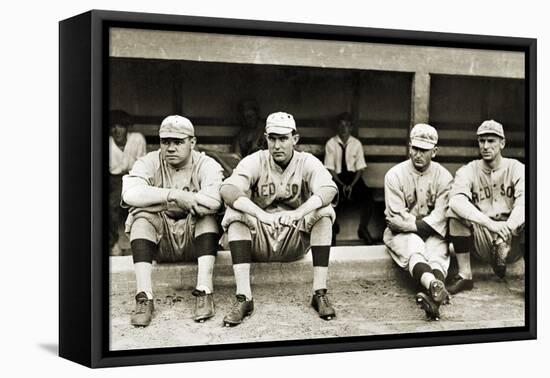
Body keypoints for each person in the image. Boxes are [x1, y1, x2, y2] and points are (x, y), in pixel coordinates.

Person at [219, 111, 338, 326]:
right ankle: (244, 297)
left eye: (283, 138)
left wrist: (299, 213)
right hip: (260, 237)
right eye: (272, 138)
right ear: (266, 138)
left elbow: (329, 189)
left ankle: (319, 292)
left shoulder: (306, 161)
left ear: (295, 139)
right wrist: (261, 215)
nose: (277, 145)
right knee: (235, 213)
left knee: (324, 212)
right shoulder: (256, 160)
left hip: (293, 237)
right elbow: (228, 189)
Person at [121, 115, 224, 327]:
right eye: (165, 141)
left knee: (207, 217)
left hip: (195, 241)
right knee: (140, 217)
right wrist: (174, 196)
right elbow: (129, 194)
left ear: (192, 143)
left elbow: (213, 201)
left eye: (178, 142)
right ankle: (144, 296)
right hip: (161, 242)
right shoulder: (149, 161)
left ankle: (204, 291)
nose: (170, 148)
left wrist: (154, 200)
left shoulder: (206, 164)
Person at [383, 124, 453, 320]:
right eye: (415, 148)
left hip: (431, 232)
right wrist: (417, 226)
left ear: (435, 151)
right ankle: (435, 287)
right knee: (414, 248)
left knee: (437, 253)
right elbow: (396, 216)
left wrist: (411, 224)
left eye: (424, 149)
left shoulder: (444, 177)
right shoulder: (394, 174)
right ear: (409, 147)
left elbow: (440, 216)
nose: (418, 154)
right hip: (402, 234)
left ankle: (433, 292)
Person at [446, 120, 525, 294]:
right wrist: (491, 225)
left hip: (513, 239)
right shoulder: (468, 170)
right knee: (454, 213)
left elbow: (526, 202)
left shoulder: (517, 168)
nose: (485, 146)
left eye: (491, 141)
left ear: (502, 143)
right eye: (482, 141)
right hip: (483, 236)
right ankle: (465, 276)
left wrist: (507, 229)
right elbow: (456, 201)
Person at [324, 112, 375, 244]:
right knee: (329, 197)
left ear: (351, 128)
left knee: (368, 197)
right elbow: (330, 169)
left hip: (353, 178)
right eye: (341, 125)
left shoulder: (356, 143)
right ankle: (333, 229)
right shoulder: (331, 143)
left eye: (346, 125)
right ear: (337, 127)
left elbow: (360, 168)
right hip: (337, 178)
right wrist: (341, 185)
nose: (343, 128)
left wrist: (351, 185)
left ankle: (363, 229)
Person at [109, 110, 146, 256]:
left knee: (145, 205)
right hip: (114, 179)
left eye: (121, 126)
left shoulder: (137, 139)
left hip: (135, 176)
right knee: (111, 206)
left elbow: (142, 164)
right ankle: (113, 244)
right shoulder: (108, 143)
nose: (117, 130)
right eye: (113, 126)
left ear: (127, 128)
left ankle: (143, 244)